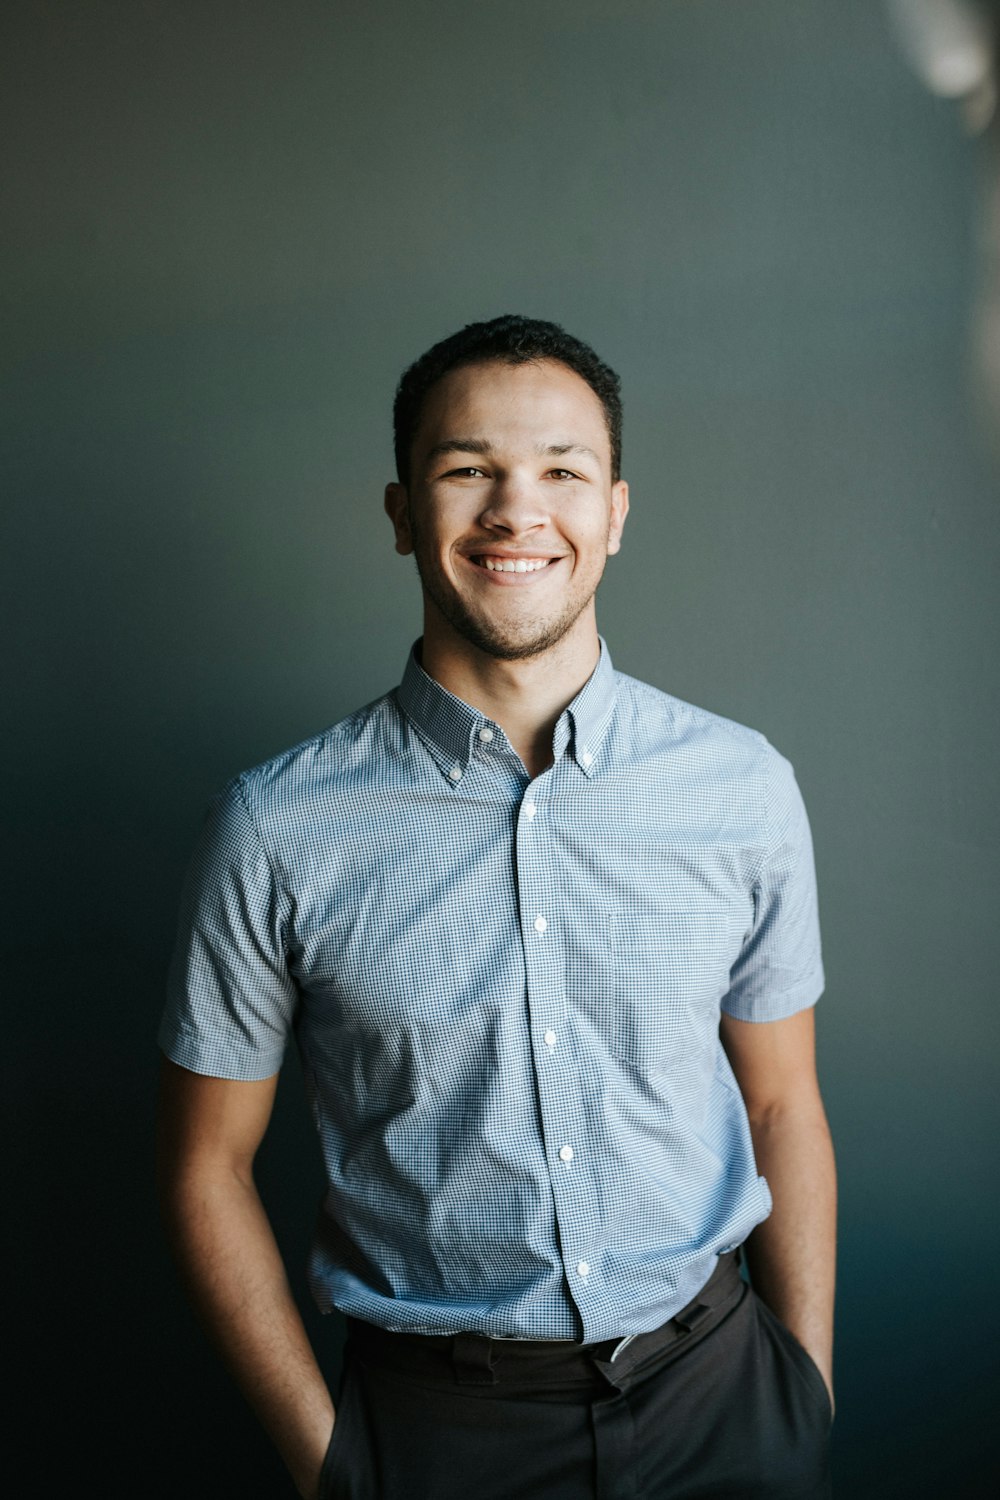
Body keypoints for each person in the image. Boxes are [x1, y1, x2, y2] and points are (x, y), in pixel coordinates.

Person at [157, 314, 836, 1500]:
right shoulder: (272, 828)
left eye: (562, 473)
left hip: (724, 1409)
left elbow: (780, 1100)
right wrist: (333, 1471)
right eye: (468, 469)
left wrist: (805, 1392)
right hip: (434, 1444)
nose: (517, 511)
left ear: (614, 512)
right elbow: (204, 1167)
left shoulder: (742, 788)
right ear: (401, 511)